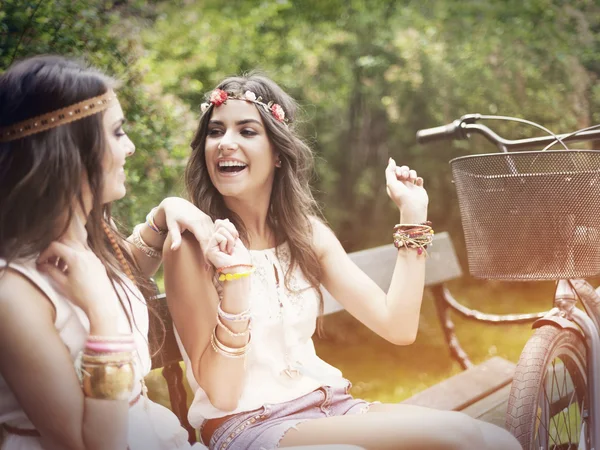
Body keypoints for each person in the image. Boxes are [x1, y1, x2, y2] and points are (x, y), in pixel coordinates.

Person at [163, 74, 523, 450]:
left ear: (279, 153)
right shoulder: (192, 245)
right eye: (216, 131)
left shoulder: (306, 234)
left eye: (246, 131)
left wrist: (412, 217)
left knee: (492, 440)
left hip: (331, 409)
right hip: (246, 426)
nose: (225, 144)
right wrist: (235, 279)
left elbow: (397, 326)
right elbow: (221, 395)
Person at [0, 55, 214, 450]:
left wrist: (163, 216)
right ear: (68, 151)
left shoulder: (88, 238)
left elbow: (121, 273)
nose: (130, 148)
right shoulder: (14, 293)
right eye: (117, 133)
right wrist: (103, 314)